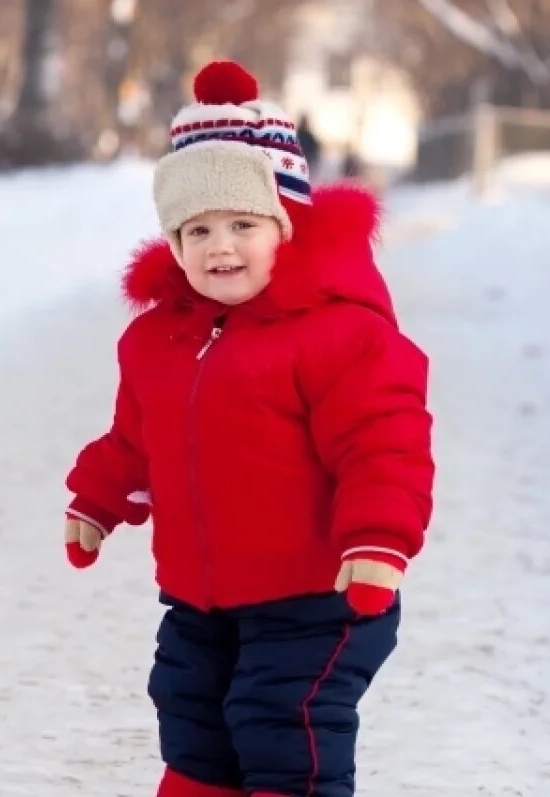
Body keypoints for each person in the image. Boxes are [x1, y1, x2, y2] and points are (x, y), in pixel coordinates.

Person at [62, 60, 435, 797]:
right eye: (197, 229)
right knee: (193, 715)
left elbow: (384, 441)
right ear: (172, 242)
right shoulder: (157, 341)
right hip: (202, 597)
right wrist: (98, 498)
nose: (219, 246)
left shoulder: (339, 333)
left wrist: (377, 540)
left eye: (242, 223)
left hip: (317, 595)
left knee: (282, 723)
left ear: (286, 225)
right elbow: (136, 437)